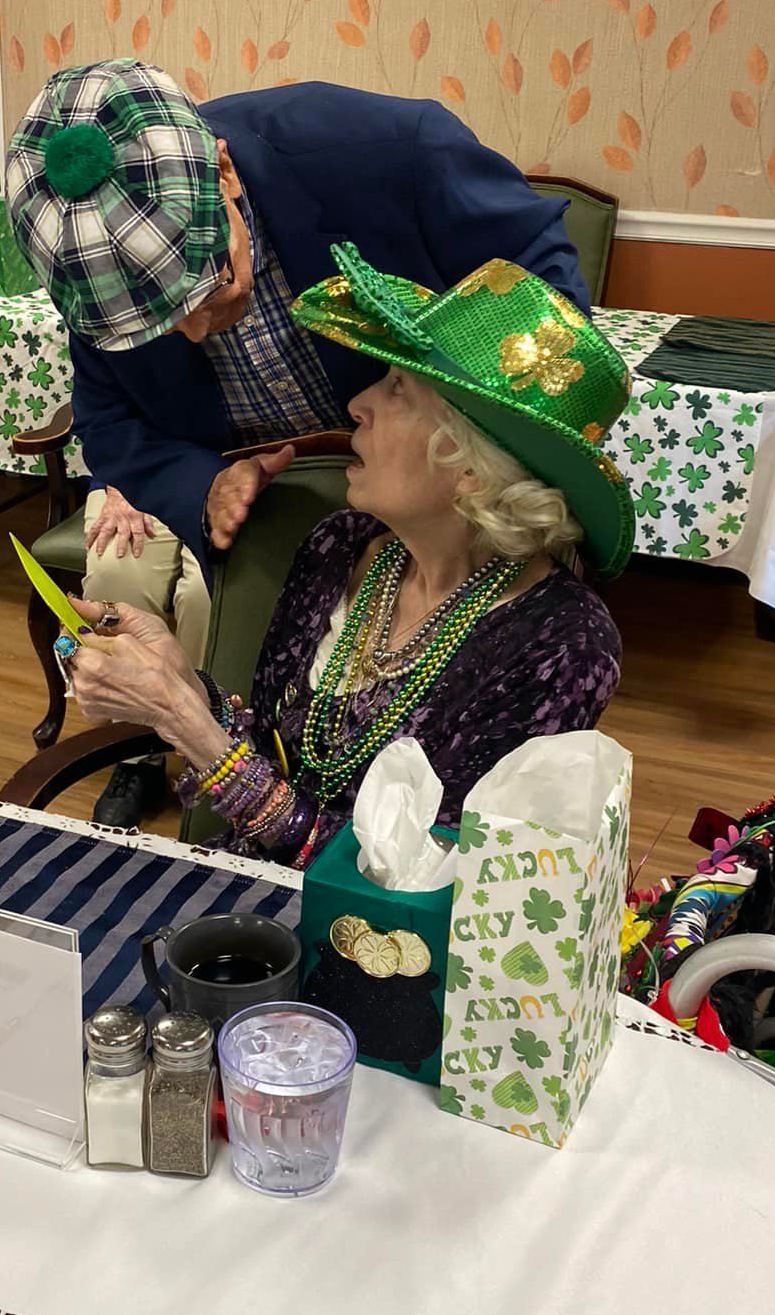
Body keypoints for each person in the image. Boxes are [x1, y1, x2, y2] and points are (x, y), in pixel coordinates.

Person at [7, 60, 587, 829]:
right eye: (155, 325)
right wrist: (201, 487)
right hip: (285, 514)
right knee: (305, 724)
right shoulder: (96, 268)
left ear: (224, 175)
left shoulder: (386, 152)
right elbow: (109, 418)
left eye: (208, 285)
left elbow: (541, 296)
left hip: (458, 495)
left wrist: (496, 449)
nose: (192, 330)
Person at [54, 246, 631, 869]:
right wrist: (180, 680)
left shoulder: (560, 645)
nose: (360, 403)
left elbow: (426, 877)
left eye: (399, 389)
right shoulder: (341, 545)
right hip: (245, 903)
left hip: (382, 952)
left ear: (470, 468)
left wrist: (185, 722)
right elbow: (277, 755)